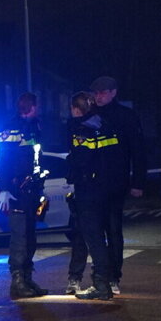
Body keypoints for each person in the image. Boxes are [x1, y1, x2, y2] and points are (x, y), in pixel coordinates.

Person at [90, 76, 146, 295]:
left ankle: (113, 276)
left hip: (115, 183)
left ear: (113, 92)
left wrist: (138, 182)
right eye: (96, 93)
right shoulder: (91, 115)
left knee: (113, 231)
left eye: (103, 92)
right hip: (94, 184)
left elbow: (138, 151)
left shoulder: (126, 116)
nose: (98, 96)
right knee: (95, 232)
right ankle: (101, 276)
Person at [67, 90, 124, 301]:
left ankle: (101, 284)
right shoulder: (105, 125)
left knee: (94, 238)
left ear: (76, 109)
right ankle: (107, 280)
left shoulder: (82, 130)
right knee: (106, 236)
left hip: (89, 191)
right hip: (108, 189)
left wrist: (71, 169)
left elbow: (80, 161)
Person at [0, 92, 48, 299]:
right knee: (20, 237)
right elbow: (2, 160)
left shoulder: (35, 126)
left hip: (31, 189)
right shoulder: (12, 129)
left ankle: (26, 278)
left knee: (30, 236)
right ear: (32, 107)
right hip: (17, 190)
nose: (40, 108)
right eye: (38, 105)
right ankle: (17, 281)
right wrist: (5, 188)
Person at [64, 92, 93, 294]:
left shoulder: (76, 128)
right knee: (97, 236)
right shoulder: (99, 124)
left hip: (85, 188)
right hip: (96, 187)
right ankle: (104, 279)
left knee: (81, 237)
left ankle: (75, 279)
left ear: (76, 109)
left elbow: (77, 158)